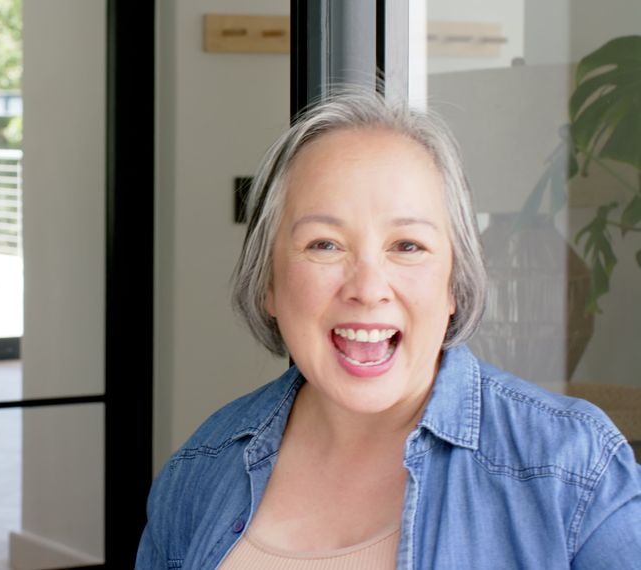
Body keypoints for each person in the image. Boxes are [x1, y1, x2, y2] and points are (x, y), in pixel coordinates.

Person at [135, 90, 641, 569]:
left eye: (407, 246)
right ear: (268, 281)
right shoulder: (200, 469)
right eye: (325, 244)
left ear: (454, 284)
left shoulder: (572, 468)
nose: (368, 287)